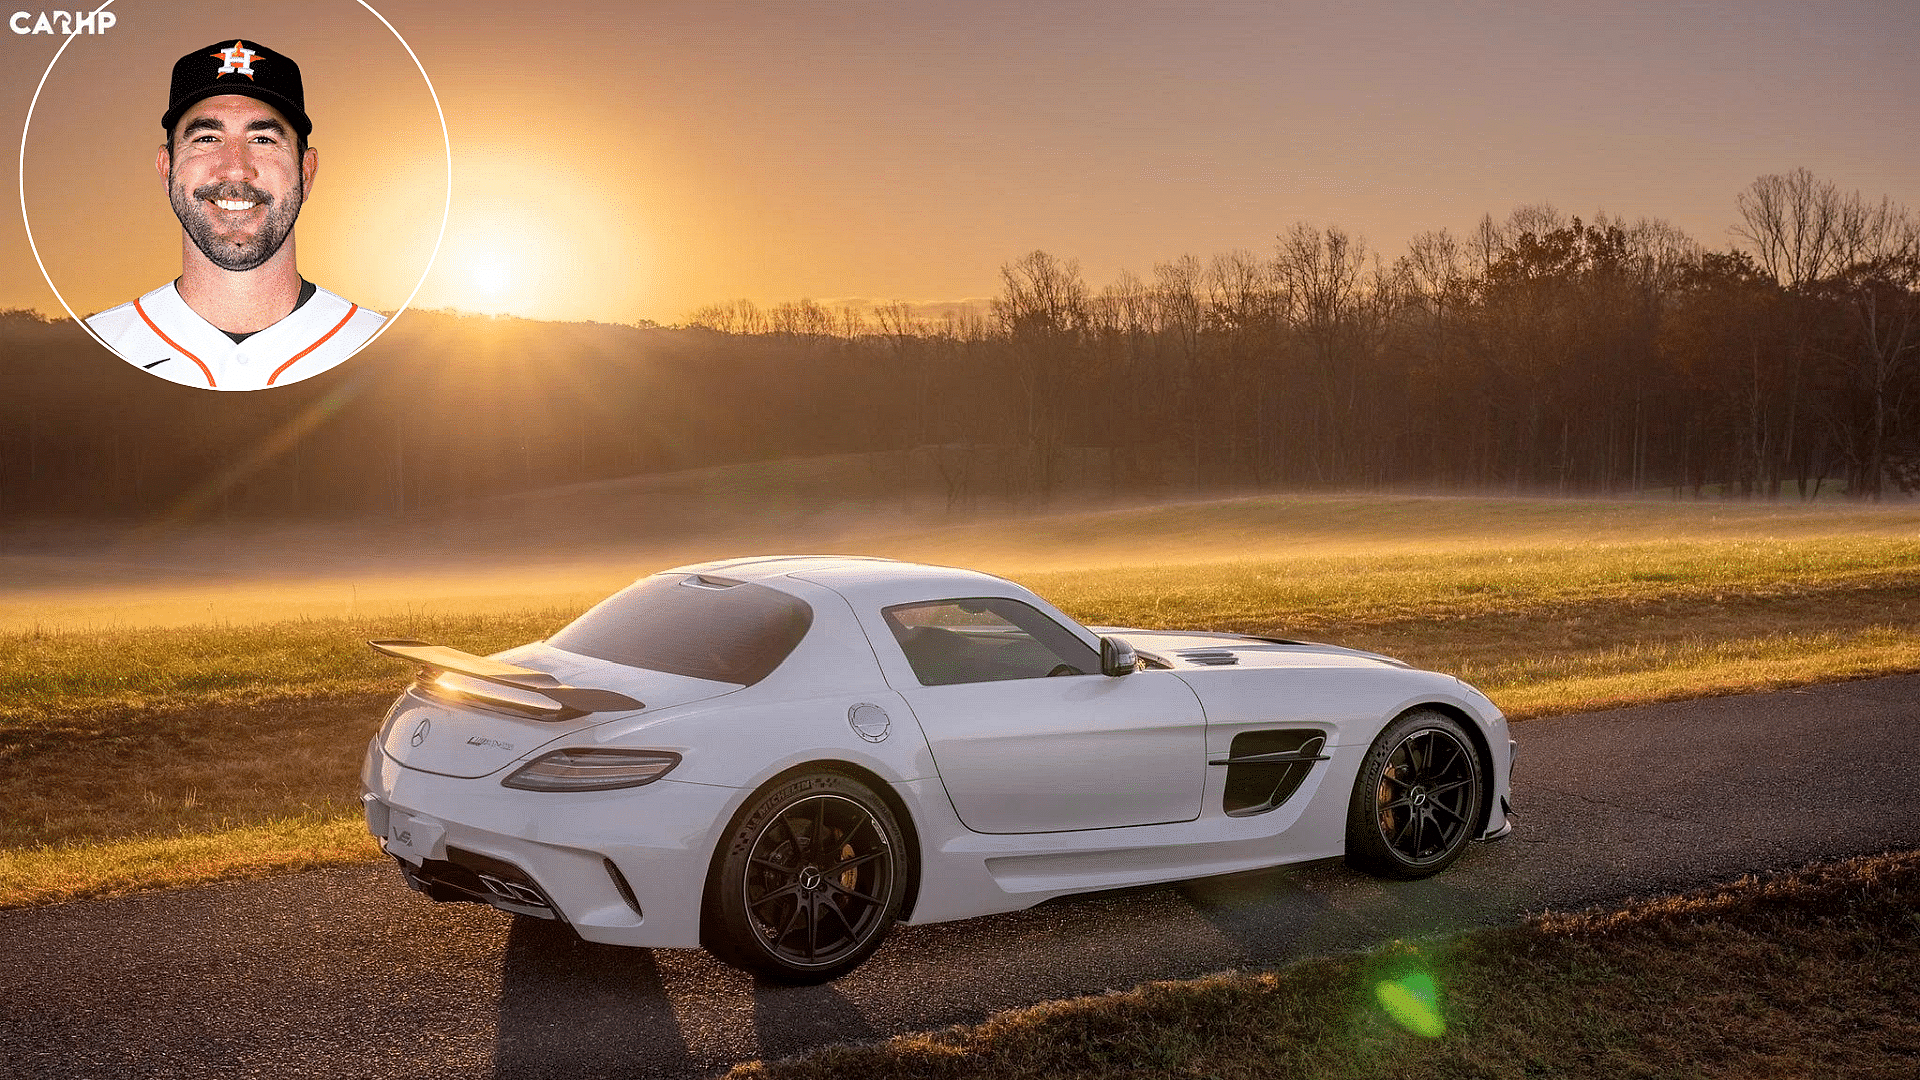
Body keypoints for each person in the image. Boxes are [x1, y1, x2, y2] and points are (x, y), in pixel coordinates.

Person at [86, 39, 385, 390]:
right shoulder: (97, 349)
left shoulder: (380, 350)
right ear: (166, 168)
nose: (235, 170)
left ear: (306, 172)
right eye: (208, 138)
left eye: (263, 140)